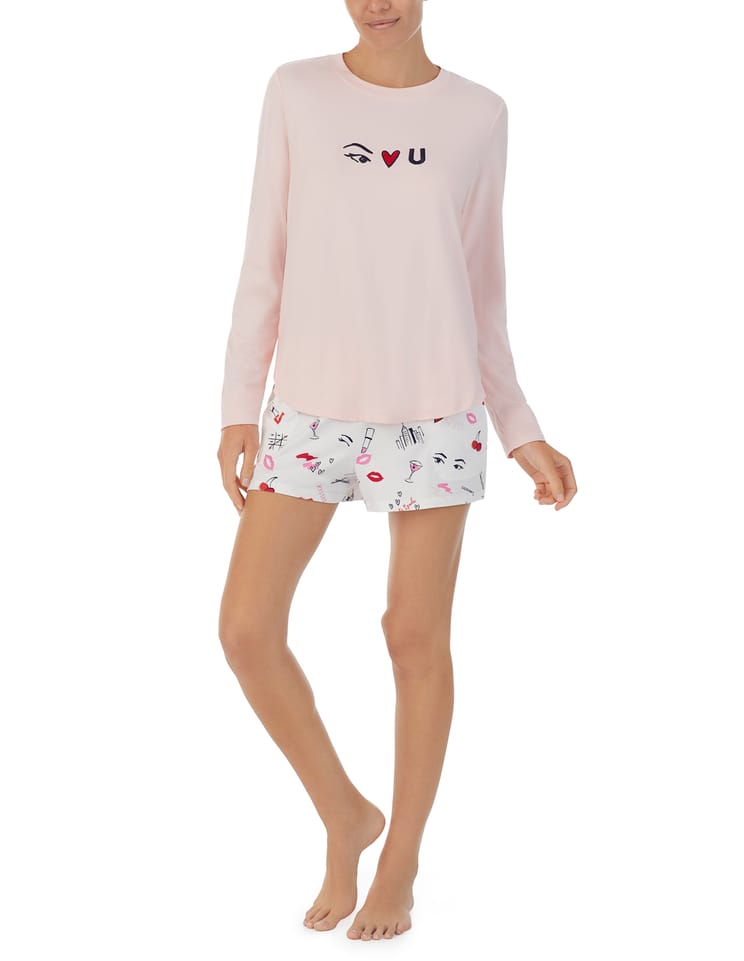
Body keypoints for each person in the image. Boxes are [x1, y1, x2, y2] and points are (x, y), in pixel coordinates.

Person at [216, 0, 577, 942]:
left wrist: (521, 428)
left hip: (436, 411)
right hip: (311, 407)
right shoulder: (297, 92)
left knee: (414, 637)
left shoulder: (479, 113)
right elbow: (264, 256)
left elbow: (482, 290)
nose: (380, 3)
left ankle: (402, 860)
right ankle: (346, 812)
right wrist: (238, 403)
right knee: (247, 628)